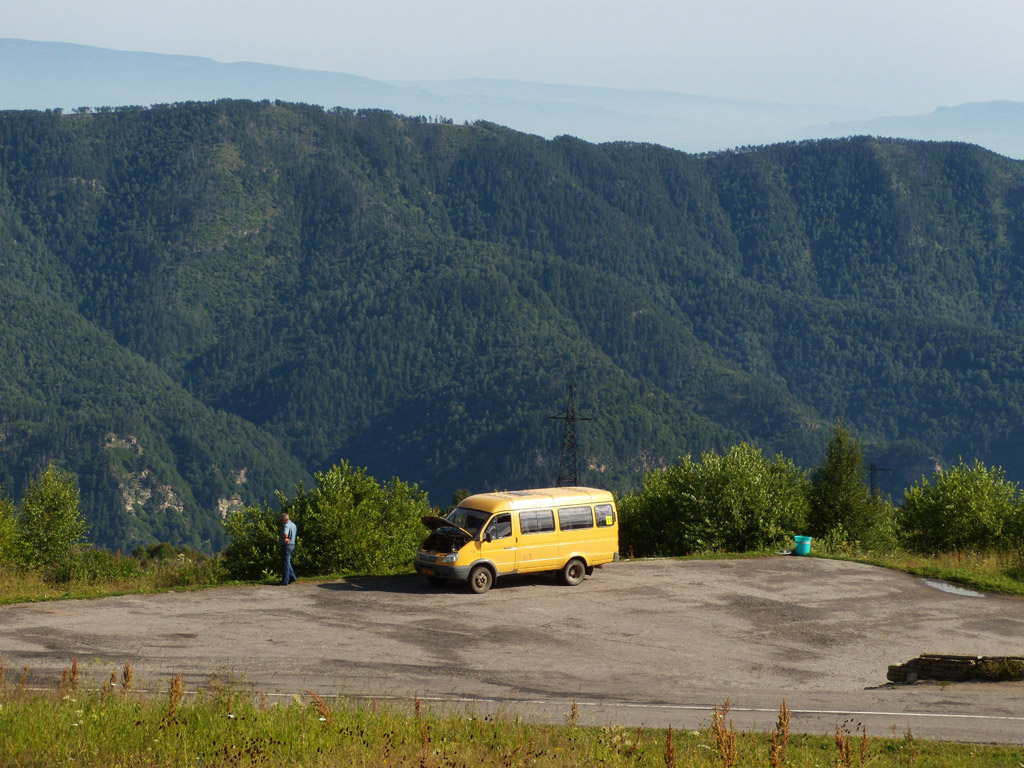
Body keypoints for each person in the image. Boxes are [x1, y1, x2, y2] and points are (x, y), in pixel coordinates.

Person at [280, 513, 297, 585]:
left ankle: (285, 581)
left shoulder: (286, 525)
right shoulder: (293, 525)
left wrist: (285, 539)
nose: (281, 522)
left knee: (285, 564)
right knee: (288, 562)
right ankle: (292, 577)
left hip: (286, 545)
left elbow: (285, 533)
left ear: (284, 520)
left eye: (281, 520)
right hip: (292, 545)